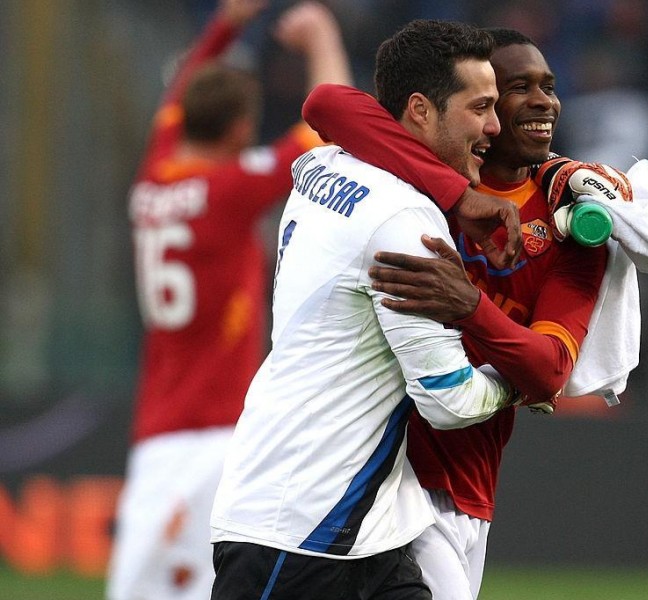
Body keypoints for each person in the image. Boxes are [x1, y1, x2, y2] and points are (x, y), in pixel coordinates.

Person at [208, 20, 528, 600]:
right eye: (479, 106)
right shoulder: (405, 223)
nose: (495, 126)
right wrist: (518, 374)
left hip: (365, 530)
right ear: (420, 111)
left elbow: (335, 108)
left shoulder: (325, 165)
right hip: (302, 530)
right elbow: (450, 398)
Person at [302, 28, 610, 599]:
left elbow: (549, 371)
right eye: (507, 92)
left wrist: (469, 307)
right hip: (392, 477)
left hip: (474, 486)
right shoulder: (412, 182)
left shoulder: (574, 232)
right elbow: (324, 103)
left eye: (547, 86)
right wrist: (457, 195)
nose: (540, 102)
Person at [107, 2, 354, 599]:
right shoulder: (229, 189)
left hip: (157, 431)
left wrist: (226, 22)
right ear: (241, 129)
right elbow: (335, 124)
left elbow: (182, 89)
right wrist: (322, 35)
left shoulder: (154, 175)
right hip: (221, 430)